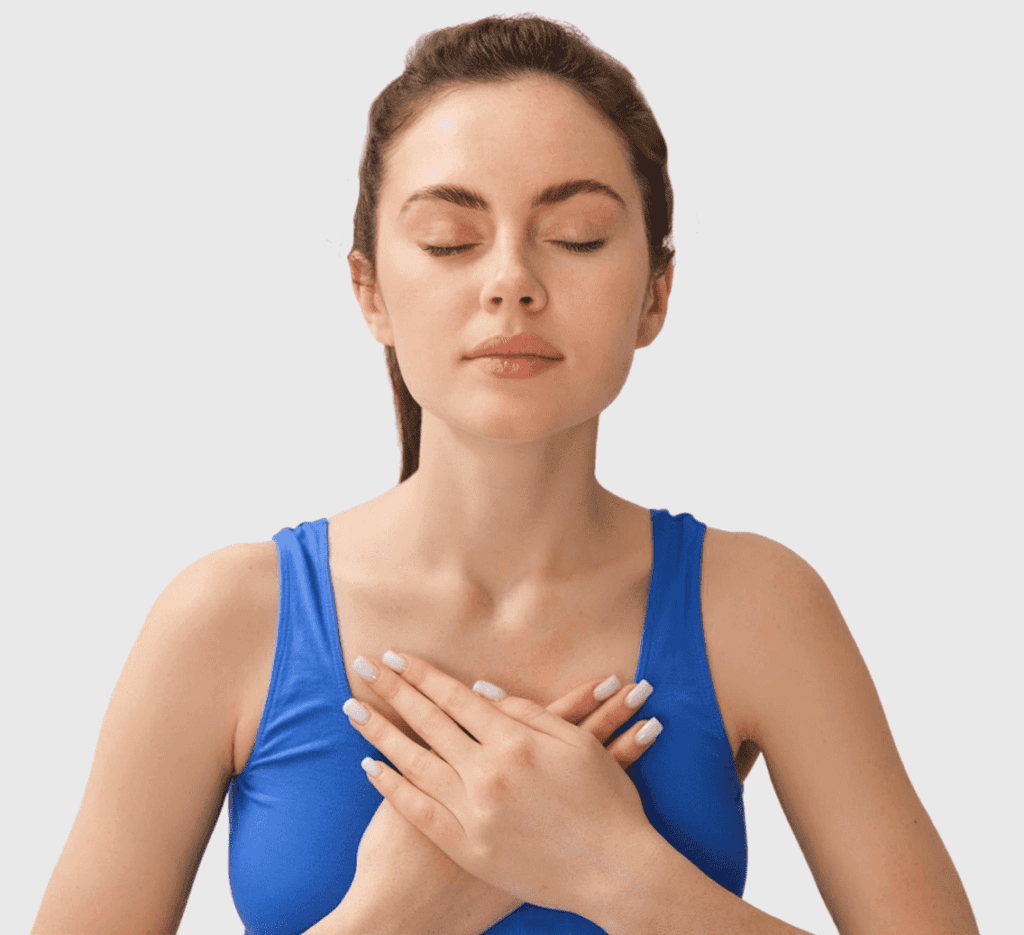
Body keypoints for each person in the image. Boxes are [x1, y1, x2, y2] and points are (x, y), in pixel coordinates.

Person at [32, 13, 980, 935]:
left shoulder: (762, 605)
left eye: (574, 236)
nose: (511, 281)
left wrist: (622, 875)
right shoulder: (226, 618)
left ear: (655, 292)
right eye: (450, 240)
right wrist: (390, 919)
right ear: (371, 293)